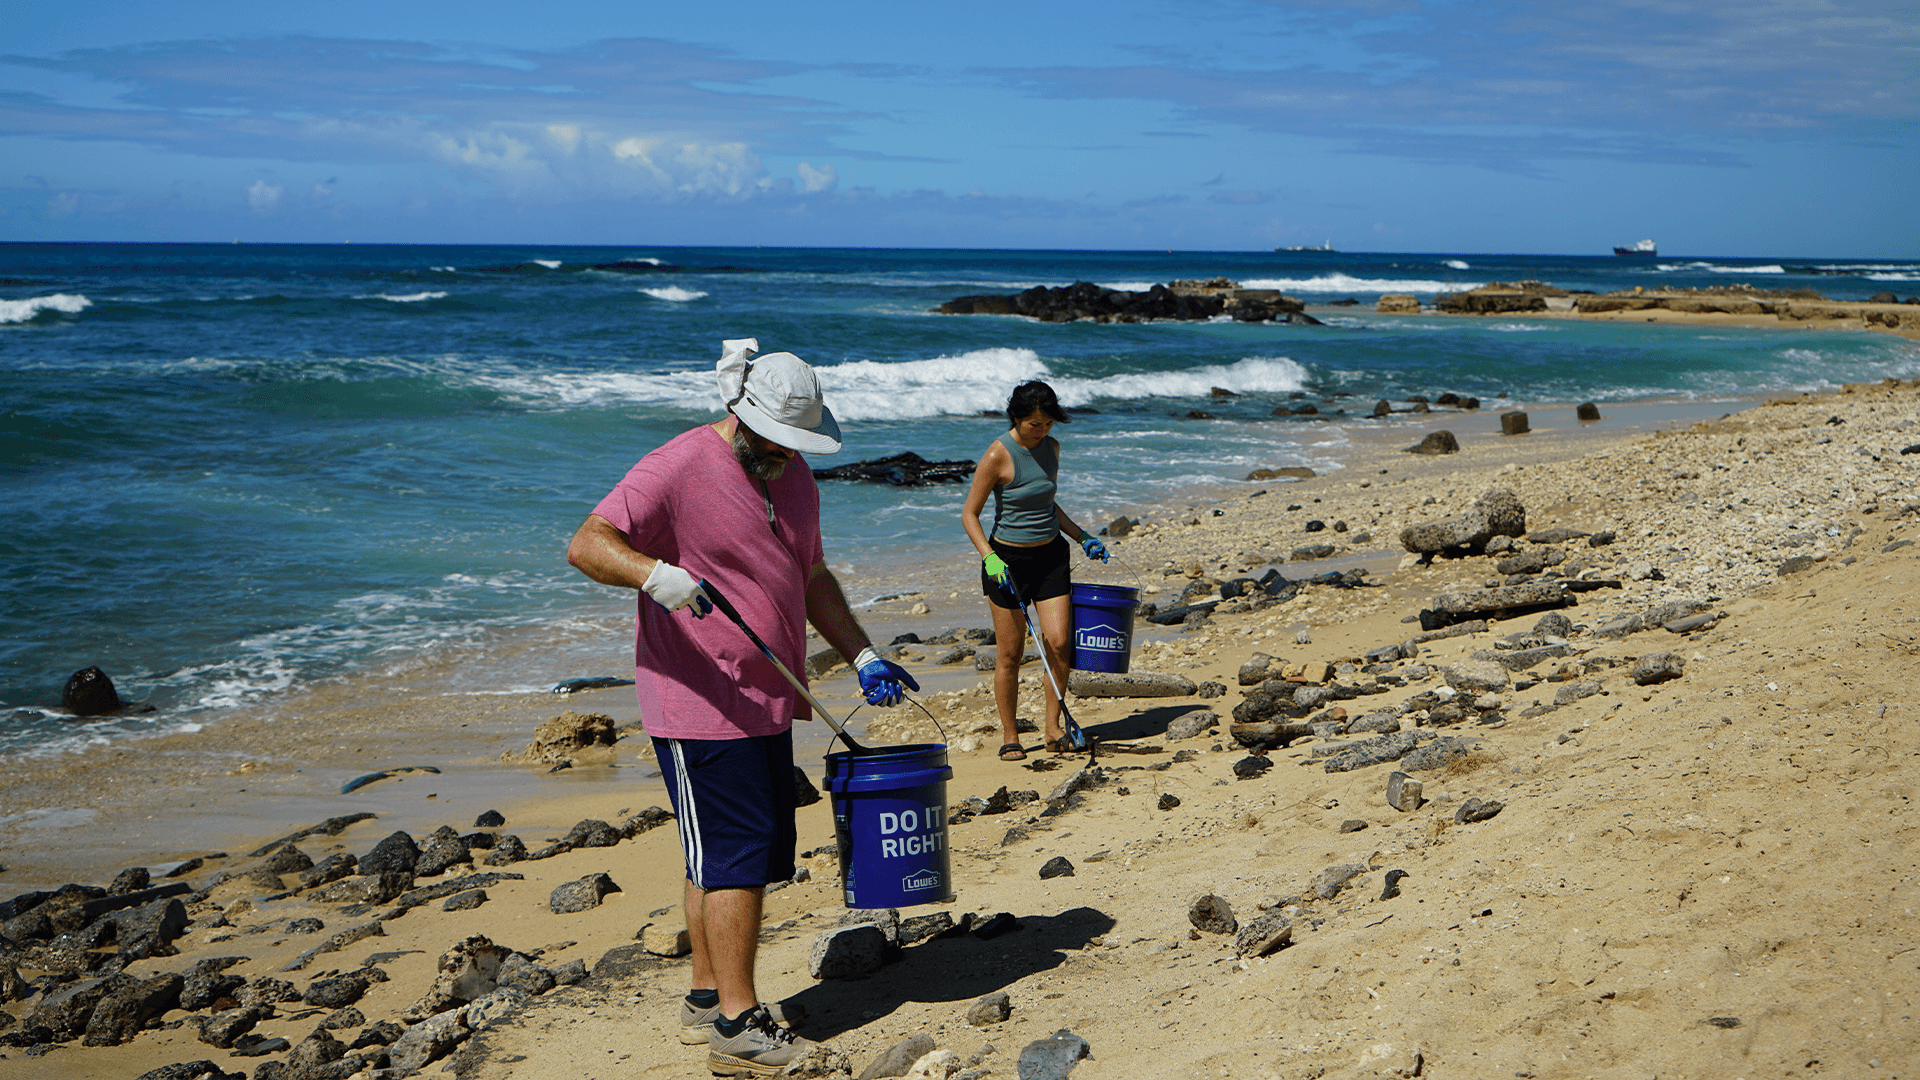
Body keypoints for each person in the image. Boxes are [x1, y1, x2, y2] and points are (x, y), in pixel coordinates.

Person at [567, 337, 917, 1077]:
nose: (787, 456)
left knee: (730, 855)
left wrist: (861, 653)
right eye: (775, 442)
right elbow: (589, 544)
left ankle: (705, 999)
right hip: (695, 700)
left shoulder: (796, 480)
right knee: (735, 857)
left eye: (797, 445)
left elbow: (811, 575)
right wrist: (655, 575)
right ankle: (737, 1024)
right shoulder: (678, 464)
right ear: (740, 413)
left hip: (767, 695)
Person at [960, 380, 1108, 762]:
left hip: (1051, 558)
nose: (1041, 430)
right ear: (1016, 417)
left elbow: (1047, 506)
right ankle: (1011, 735)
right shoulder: (997, 454)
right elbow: (969, 515)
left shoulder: (1052, 449)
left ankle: (1053, 727)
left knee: (1059, 642)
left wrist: (1082, 536)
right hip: (1006, 563)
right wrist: (989, 557)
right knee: (1011, 653)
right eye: (1033, 424)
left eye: (1047, 423)